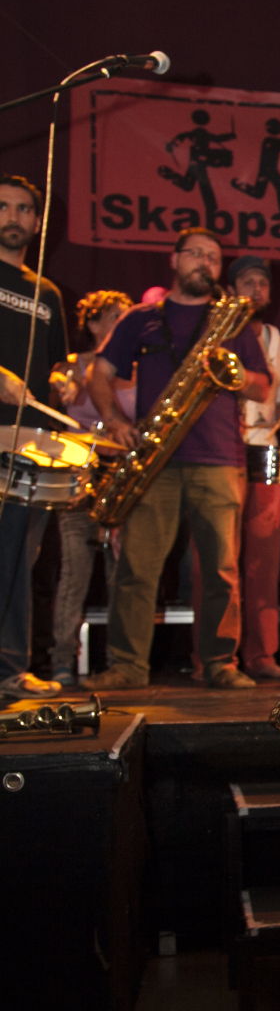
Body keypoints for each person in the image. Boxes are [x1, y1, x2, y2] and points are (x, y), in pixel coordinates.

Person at [87, 229, 271, 689]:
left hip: (220, 458)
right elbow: (99, 373)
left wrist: (234, 374)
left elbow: (262, 386)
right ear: (174, 259)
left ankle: (220, 664)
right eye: (196, 254)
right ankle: (127, 667)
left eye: (213, 258)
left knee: (221, 570)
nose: (205, 263)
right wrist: (114, 421)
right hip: (156, 459)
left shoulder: (233, 321)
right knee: (137, 568)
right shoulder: (139, 319)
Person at [0, 174, 69, 700]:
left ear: (38, 222)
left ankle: (10, 668)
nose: (14, 217)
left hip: (29, 442)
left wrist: (65, 380)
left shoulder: (47, 292)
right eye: (3, 206)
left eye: (24, 209)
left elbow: (56, 364)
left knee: (18, 560)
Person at [228, 254, 280, 682]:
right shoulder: (217, 336)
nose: (256, 289)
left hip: (263, 453)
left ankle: (261, 655)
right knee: (219, 561)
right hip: (221, 453)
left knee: (263, 561)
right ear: (230, 290)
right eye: (247, 281)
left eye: (262, 282)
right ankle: (218, 658)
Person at [49, 289, 134, 687]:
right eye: (116, 317)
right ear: (94, 323)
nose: (124, 325)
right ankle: (61, 660)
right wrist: (61, 387)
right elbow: (56, 398)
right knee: (75, 574)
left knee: (124, 574)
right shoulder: (73, 366)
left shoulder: (135, 369)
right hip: (81, 481)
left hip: (123, 482)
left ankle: (119, 661)